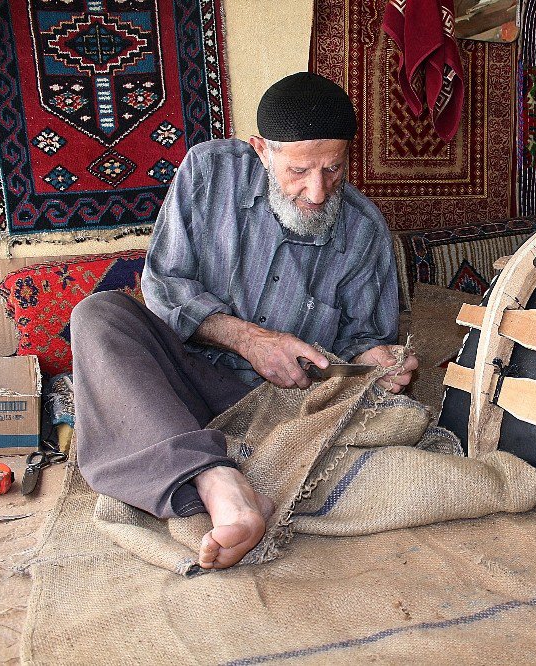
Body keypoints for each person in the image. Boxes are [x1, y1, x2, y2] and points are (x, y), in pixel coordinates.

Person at [71, 72, 418, 570]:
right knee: (98, 314)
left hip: (273, 408)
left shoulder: (364, 232)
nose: (317, 192)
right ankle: (221, 480)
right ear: (260, 150)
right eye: (298, 170)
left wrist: (378, 361)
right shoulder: (209, 172)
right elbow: (164, 286)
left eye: (333, 169)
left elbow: (363, 342)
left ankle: (202, 466)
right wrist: (251, 340)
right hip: (178, 381)